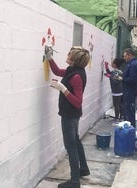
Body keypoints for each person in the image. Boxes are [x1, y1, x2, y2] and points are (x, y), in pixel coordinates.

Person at [46, 46, 90, 188]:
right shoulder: (73, 71)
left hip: (70, 115)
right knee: (76, 141)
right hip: (72, 115)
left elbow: (78, 102)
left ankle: (75, 182)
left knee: (70, 146)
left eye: (69, 54)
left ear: (74, 59)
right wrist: (49, 57)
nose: (67, 54)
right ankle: (83, 169)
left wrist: (62, 89)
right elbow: (58, 71)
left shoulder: (77, 76)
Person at [120, 48, 137, 128]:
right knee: (127, 111)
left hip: (130, 90)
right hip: (128, 90)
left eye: (125, 56)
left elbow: (133, 79)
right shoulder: (131, 64)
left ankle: (130, 130)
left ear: (130, 55)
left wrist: (122, 79)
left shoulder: (133, 64)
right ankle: (128, 129)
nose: (124, 58)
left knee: (129, 111)